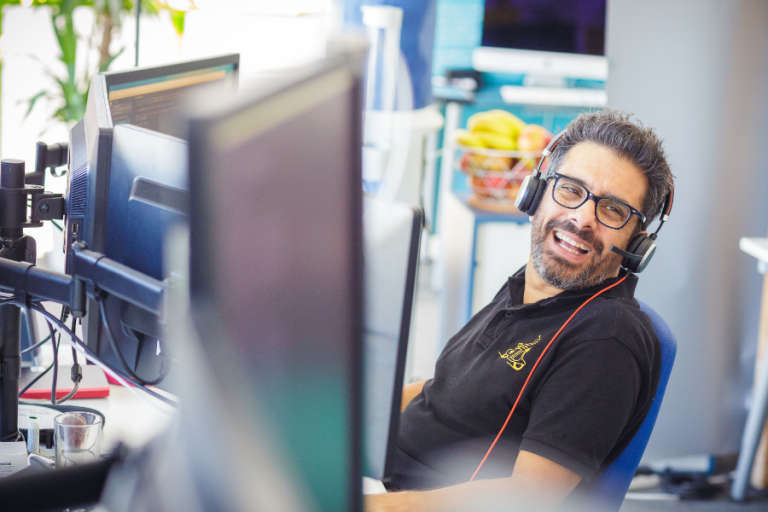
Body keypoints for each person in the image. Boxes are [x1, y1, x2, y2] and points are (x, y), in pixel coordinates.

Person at [365, 109, 674, 512]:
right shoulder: (527, 287)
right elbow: (443, 390)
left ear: (637, 244)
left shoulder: (606, 337)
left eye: (613, 210)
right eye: (570, 189)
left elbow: (528, 497)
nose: (582, 219)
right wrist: (354, 404)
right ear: (537, 191)